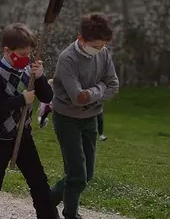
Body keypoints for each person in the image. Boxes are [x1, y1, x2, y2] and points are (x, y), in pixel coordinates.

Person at [0, 23, 58, 219]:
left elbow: (46, 97)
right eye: (21, 54)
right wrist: (21, 100)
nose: (25, 58)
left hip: (24, 136)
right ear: (7, 51)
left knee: (39, 183)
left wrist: (40, 77)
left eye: (29, 54)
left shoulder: (30, 71)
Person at [49, 13, 119, 219]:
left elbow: (113, 86)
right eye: (96, 46)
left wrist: (91, 93)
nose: (99, 50)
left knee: (87, 174)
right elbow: (77, 98)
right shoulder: (67, 59)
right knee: (77, 173)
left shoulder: (103, 53)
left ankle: (47, 198)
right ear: (81, 40)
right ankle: (71, 214)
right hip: (67, 119)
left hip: (91, 118)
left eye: (102, 46)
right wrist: (99, 89)